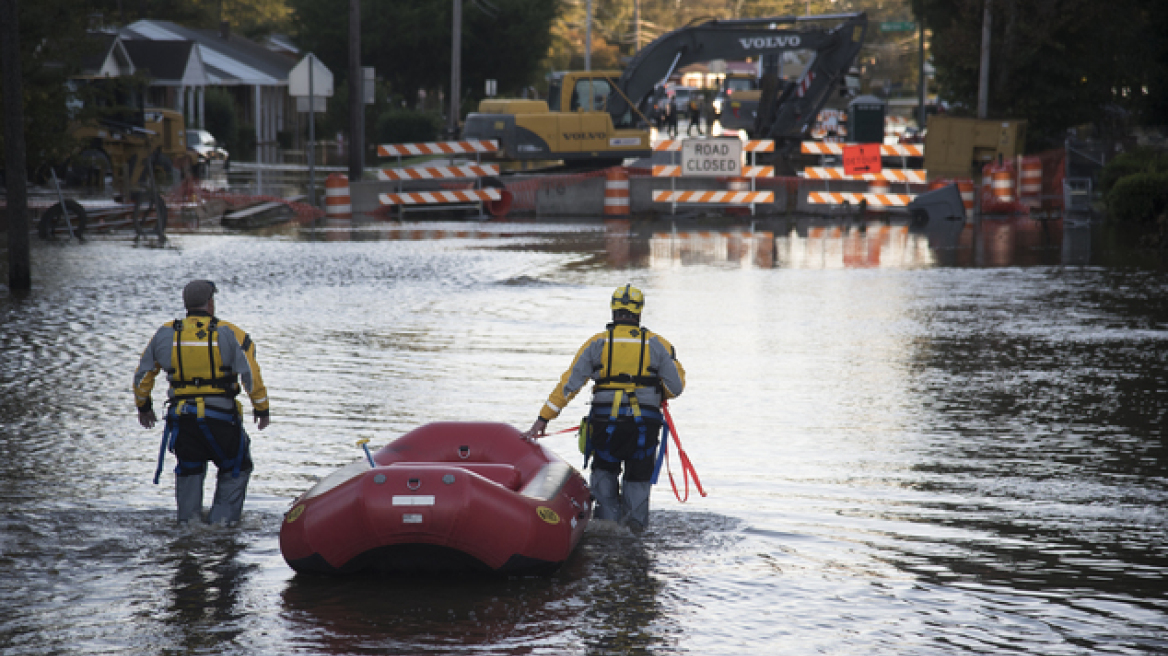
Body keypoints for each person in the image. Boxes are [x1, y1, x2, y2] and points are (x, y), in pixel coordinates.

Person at [523, 284, 685, 533]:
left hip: (605, 425)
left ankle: (607, 531)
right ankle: (633, 533)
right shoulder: (657, 344)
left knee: (604, 472)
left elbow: (569, 385)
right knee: (638, 479)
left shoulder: (597, 343)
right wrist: (652, 391)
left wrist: (543, 419)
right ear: (639, 312)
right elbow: (676, 386)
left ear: (613, 310)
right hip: (644, 427)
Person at [133, 280, 270, 526]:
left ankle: (188, 527)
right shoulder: (231, 333)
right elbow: (251, 375)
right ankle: (222, 527)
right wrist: (261, 408)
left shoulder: (166, 333)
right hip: (222, 421)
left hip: (183, 421)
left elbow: (143, 375)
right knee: (236, 468)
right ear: (210, 303)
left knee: (189, 470)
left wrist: (143, 406)